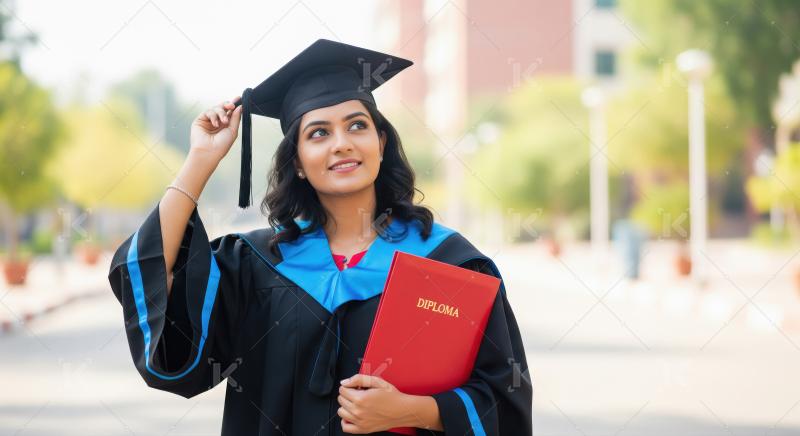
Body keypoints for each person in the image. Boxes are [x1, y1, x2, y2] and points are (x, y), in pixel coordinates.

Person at [108, 39, 532, 435]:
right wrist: (200, 161)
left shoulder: (448, 263)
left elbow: (503, 399)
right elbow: (155, 292)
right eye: (319, 133)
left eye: (357, 126)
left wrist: (413, 410)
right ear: (296, 162)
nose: (341, 144)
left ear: (380, 143)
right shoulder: (254, 264)